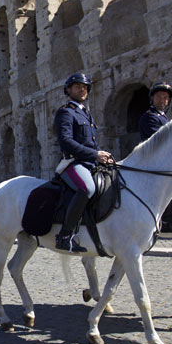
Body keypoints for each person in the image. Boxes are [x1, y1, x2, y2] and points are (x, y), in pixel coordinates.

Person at [54, 72, 114, 252]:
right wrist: (95, 155)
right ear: (69, 90)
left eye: (85, 87)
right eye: (78, 86)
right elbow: (66, 141)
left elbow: (92, 142)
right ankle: (64, 236)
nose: (82, 89)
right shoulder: (65, 113)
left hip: (89, 163)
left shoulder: (86, 113)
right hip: (72, 163)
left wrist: (104, 156)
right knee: (87, 188)